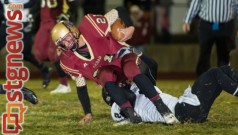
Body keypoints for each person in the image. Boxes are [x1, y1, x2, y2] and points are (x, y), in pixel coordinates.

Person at [50, 6, 178, 125]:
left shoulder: (90, 26)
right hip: (114, 83)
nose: (67, 44)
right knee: (107, 79)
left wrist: (131, 27)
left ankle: (161, 107)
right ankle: (129, 113)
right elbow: (81, 87)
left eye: (67, 38)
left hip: (124, 59)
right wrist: (88, 113)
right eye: (62, 43)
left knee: (147, 66)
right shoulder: (68, 60)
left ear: (73, 30)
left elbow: (119, 10)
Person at [105, 65, 238, 125]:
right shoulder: (119, 106)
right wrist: (115, 86)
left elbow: (150, 66)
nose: (124, 84)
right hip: (184, 111)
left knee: (222, 69)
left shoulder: (137, 90)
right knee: (215, 74)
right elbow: (125, 97)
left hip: (190, 111)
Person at [182, 0, 238, 76]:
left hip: (226, 25)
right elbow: (196, 3)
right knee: (204, 53)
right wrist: (187, 21)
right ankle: (203, 81)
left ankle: (224, 81)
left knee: (224, 56)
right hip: (207, 24)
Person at [0, 0, 51, 88]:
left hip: (23, 23)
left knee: (24, 52)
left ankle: (44, 70)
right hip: (7, 24)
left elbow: (35, 3)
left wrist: (19, 7)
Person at [33, 0, 78, 94]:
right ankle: (68, 62)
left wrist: (68, 15)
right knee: (39, 53)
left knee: (53, 54)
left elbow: (73, 3)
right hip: (43, 22)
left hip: (55, 21)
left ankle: (64, 85)